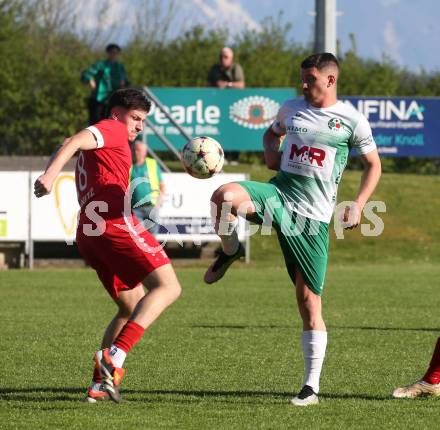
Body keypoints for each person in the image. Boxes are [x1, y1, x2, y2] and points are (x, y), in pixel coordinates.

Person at [204, 53, 382, 406]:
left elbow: (373, 165)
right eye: (302, 78)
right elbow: (272, 136)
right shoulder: (290, 108)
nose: (303, 85)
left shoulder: (351, 121)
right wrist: (272, 153)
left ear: (330, 81)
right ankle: (231, 249)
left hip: (312, 220)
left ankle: (311, 388)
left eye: (310, 79)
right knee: (223, 196)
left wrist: (359, 204)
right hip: (279, 195)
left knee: (308, 303)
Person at [34, 88, 181, 404]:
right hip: (113, 223)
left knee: (131, 305)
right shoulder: (112, 128)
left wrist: (51, 169)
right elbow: (73, 141)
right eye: (136, 118)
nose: (139, 126)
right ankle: (114, 357)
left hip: (89, 233)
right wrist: (49, 176)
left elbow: (66, 145)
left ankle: (100, 384)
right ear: (117, 113)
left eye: (143, 120)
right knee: (169, 287)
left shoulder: (104, 139)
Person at [81, 43, 130, 125]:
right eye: (112, 52)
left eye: (116, 53)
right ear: (108, 53)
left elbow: (125, 81)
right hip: (99, 99)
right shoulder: (101, 64)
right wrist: (90, 79)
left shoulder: (120, 67)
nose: (114, 54)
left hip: (113, 100)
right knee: (96, 124)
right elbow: (86, 74)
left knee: (111, 123)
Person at [130, 138, 165, 236]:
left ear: (145, 152)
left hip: (152, 207)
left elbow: (162, 186)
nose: (136, 152)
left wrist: (158, 203)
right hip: (135, 209)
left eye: (139, 150)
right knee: (138, 237)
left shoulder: (152, 164)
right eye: (134, 150)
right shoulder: (129, 166)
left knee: (153, 238)